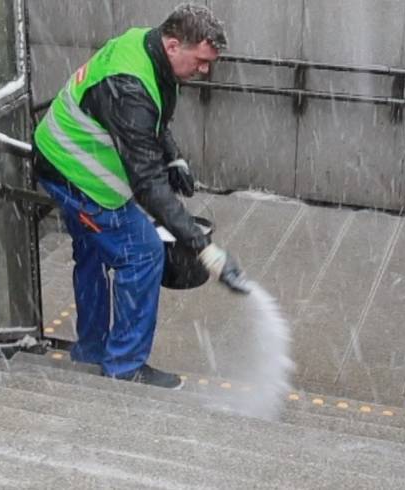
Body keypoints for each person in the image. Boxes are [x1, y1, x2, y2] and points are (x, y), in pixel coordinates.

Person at [33, 4, 248, 389]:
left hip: (59, 153)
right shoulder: (129, 85)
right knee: (143, 252)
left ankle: (92, 349)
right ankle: (125, 364)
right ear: (172, 45)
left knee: (94, 252)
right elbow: (148, 184)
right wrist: (204, 248)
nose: (205, 70)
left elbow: (155, 114)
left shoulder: (144, 45)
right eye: (200, 60)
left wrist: (174, 156)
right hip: (76, 176)